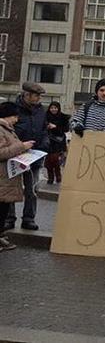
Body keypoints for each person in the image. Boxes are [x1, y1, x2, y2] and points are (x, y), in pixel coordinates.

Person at [4, 83, 49, 231]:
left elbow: (43, 129)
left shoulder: (41, 110)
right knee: (11, 189)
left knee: (32, 189)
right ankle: (9, 218)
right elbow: (8, 131)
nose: (38, 98)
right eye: (36, 96)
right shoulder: (14, 110)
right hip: (15, 155)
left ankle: (29, 218)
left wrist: (44, 143)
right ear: (27, 95)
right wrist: (19, 146)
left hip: (34, 156)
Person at [0, 102, 35, 251]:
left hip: (7, 177)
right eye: (15, 116)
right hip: (2, 177)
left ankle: (1, 236)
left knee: (3, 209)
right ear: (8, 115)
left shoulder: (8, 129)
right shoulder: (1, 130)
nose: (17, 119)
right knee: (1, 209)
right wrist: (22, 146)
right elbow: (1, 152)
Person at [44, 102, 70, 184]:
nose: (53, 109)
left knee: (55, 159)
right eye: (52, 108)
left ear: (58, 108)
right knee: (48, 161)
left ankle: (58, 175)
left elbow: (66, 129)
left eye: (55, 108)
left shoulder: (63, 117)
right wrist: (47, 127)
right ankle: (50, 177)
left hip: (58, 142)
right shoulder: (45, 116)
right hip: (47, 141)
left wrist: (55, 127)